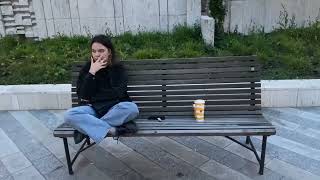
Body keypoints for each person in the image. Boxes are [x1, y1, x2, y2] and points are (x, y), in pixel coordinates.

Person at [64, 34, 139, 144]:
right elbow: (83, 95)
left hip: (115, 109)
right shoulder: (87, 69)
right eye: (94, 51)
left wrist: (96, 97)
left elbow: (118, 93)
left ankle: (87, 130)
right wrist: (92, 73)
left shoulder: (118, 69)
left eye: (101, 51)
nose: (97, 54)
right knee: (69, 115)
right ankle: (111, 129)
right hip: (93, 109)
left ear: (109, 51)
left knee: (132, 108)